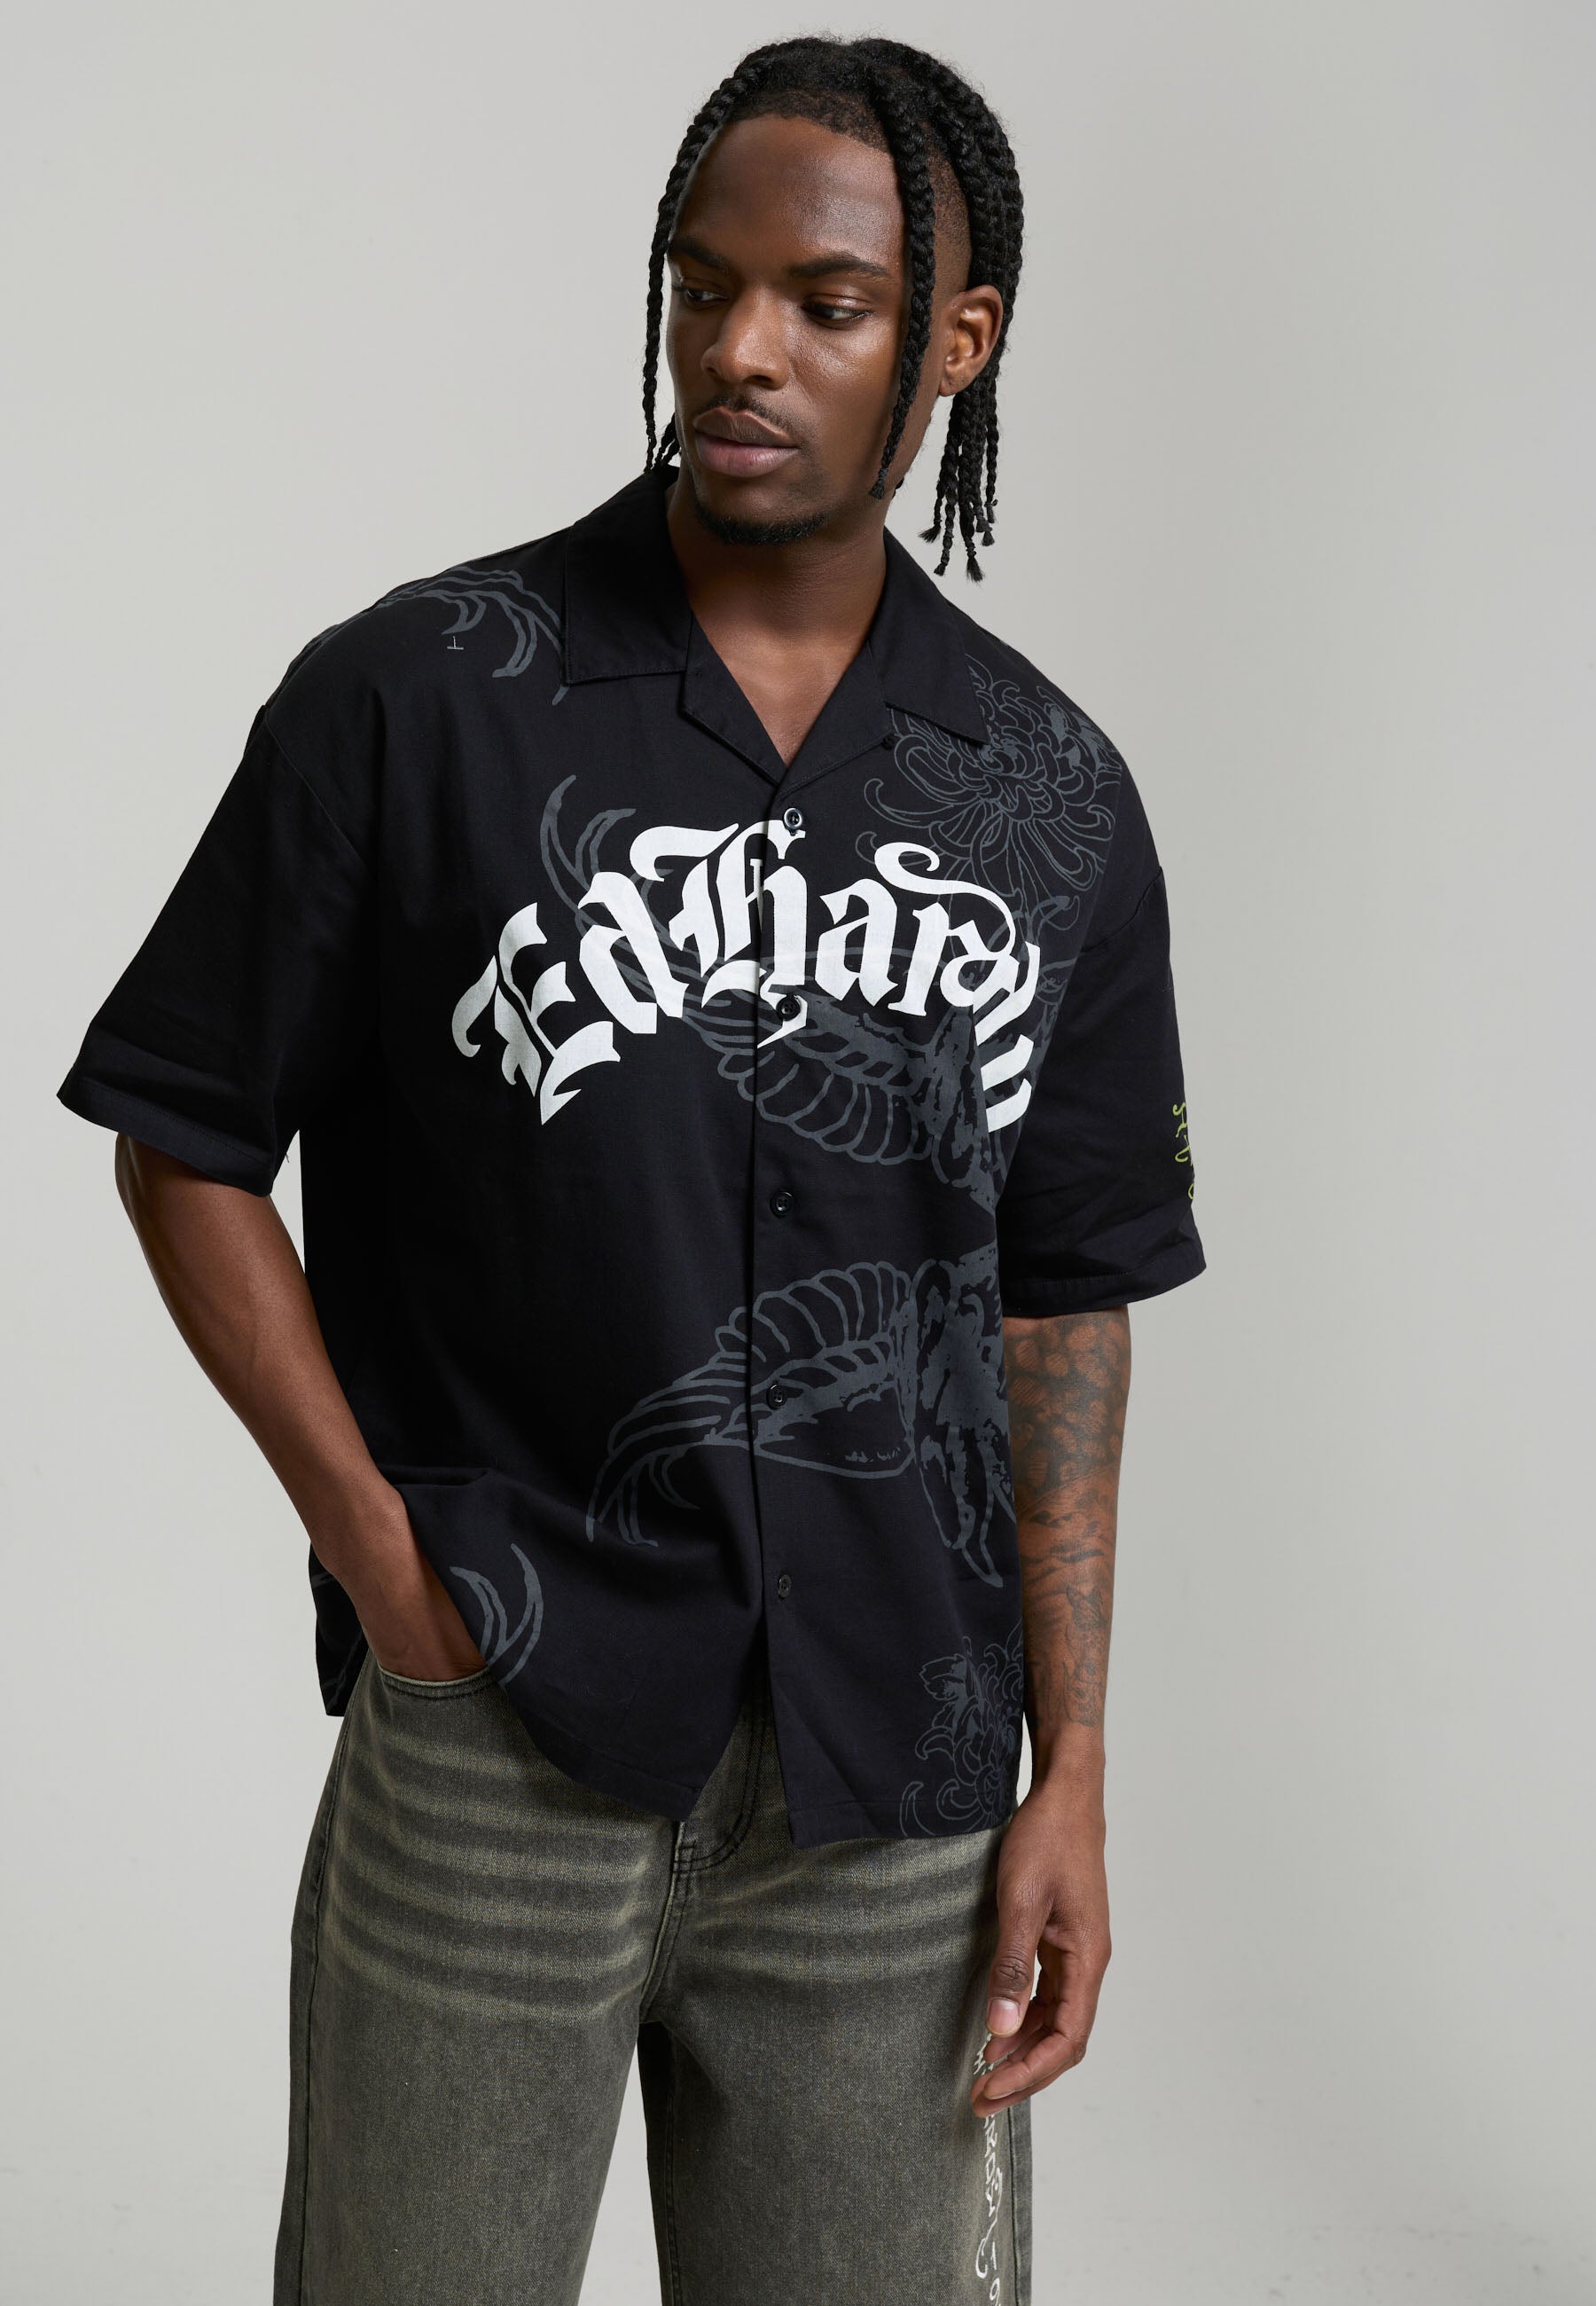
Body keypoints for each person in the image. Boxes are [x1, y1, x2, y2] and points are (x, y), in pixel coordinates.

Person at [57, 33, 1205, 2306]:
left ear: (957, 341)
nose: (741, 349)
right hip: (509, 1726)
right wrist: (390, 1569)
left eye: (827, 302)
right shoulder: (421, 697)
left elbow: (1062, 1296)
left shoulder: (1049, 788)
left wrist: (1070, 1762)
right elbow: (184, 1141)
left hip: (901, 1787)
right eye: (704, 285)